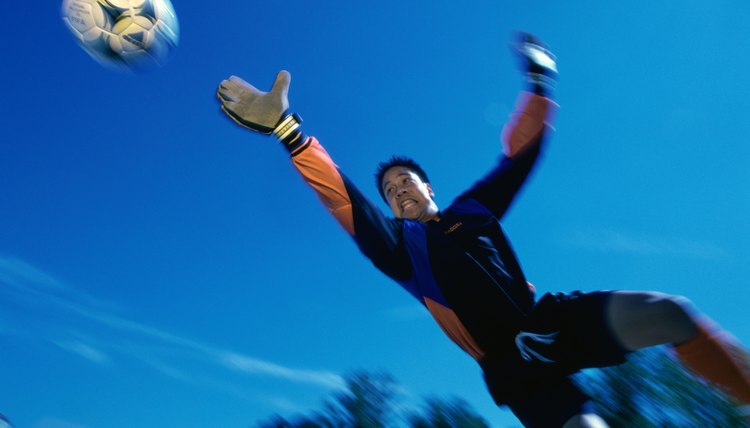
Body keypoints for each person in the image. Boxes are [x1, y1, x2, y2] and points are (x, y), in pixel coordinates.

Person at [216, 33, 750, 427]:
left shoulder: (474, 209)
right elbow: (344, 200)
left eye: (407, 181)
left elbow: (519, 157)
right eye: (390, 192)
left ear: (429, 188)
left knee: (669, 312)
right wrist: (289, 132)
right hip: (513, 365)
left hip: (551, 318)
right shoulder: (399, 249)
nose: (399, 190)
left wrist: (539, 84)